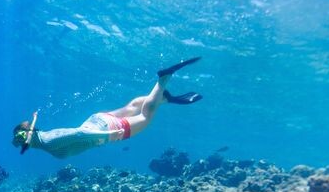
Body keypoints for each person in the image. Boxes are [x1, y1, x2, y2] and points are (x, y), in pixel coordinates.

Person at [12, 57, 203, 158]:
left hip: (103, 129)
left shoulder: (47, 141)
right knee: (131, 106)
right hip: (97, 120)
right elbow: (28, 136)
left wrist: (107, 136)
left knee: (145, 117)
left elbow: (79, 134)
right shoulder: (40, 137)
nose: (19, 141)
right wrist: (31, 123)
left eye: (20, 137)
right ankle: (166, 99)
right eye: (18, 139)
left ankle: (163, 80)